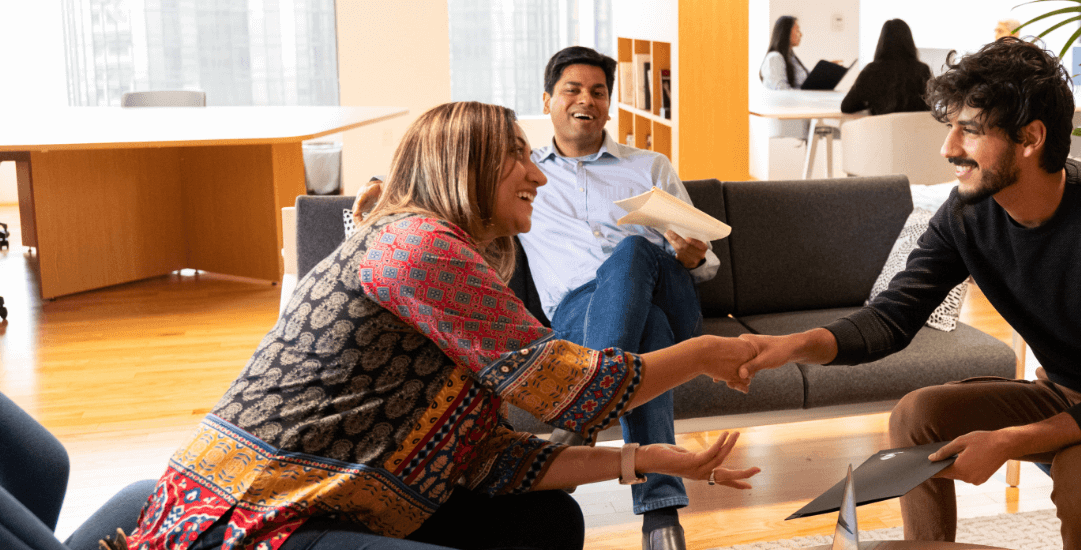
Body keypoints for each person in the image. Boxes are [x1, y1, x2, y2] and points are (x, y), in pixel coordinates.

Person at [121, 101, 761, 550]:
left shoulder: (437, 253)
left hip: (336, 500)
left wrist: (642, 458)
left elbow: (482, 460)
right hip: (257, 519)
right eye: (517, 156)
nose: (538, 173)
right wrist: (705, 352)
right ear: (467, 162)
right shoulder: (417, 248)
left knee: (546, 522)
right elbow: (567, 390)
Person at [736, 37, 1081, 550]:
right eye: (951, 127)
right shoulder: (966, 215)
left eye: (970, 131)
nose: (949, 148)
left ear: (1030, 137)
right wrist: (791, 347)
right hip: (1066, 391)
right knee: (918, 415)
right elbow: (890, 319)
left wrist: (1007, 441)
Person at [522, 45, 719, 550]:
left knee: (633, 249)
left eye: (597, 91)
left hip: (667, 295)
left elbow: (707, 262)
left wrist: (692, 255)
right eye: (572, 89)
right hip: (578, 313)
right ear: (548, 100)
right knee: (645, 330)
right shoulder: (522, 175)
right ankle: (662, 520)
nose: (585, 99)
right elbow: (445, 189)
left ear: (609, 105)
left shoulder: (650, 166)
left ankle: (585, 409)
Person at [839, 19, 933, 116]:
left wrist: (870, 102)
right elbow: (931, 106)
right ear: (909, 42)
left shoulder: (872, 70)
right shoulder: (922, 70)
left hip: (880, 130)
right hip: (916, 130)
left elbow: (847, 107)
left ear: (882, 42)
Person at [759, 15, 808, 91]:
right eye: (797, 30)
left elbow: (806, 80)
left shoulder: (792, 58)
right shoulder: (774, 58)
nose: (801, 34)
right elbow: (781, 90)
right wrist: (807, 94)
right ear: (786, 32)